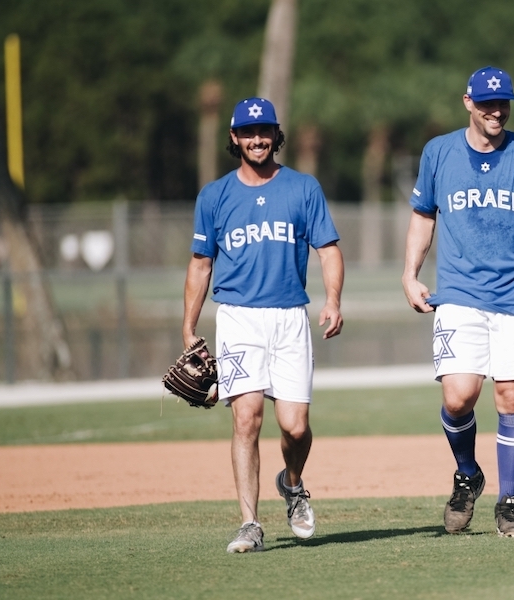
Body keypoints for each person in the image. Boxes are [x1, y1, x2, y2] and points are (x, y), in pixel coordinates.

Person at [402, 66, 514, 537]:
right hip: (458, 292)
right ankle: (468, 473)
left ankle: (508, 503)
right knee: (458, 397)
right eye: (488, 103)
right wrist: (410, 275)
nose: (497, 110)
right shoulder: (439, 152)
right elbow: (422, 217)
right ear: (468, 103)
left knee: (510, 396)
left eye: (504, 102)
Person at [182, 97, 344, 553]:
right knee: (246, 419)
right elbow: (199, 265)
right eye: (248, 132)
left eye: (265, 131)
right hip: (238, 318)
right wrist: (189, 327)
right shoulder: (214, 196)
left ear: (276, 135)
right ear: (234, 138)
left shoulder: (302, 187)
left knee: (294, 427)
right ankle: (250, 523)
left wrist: (332, 299)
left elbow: (328, 249)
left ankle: (292, 483)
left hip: (290, 314)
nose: (257, 139)